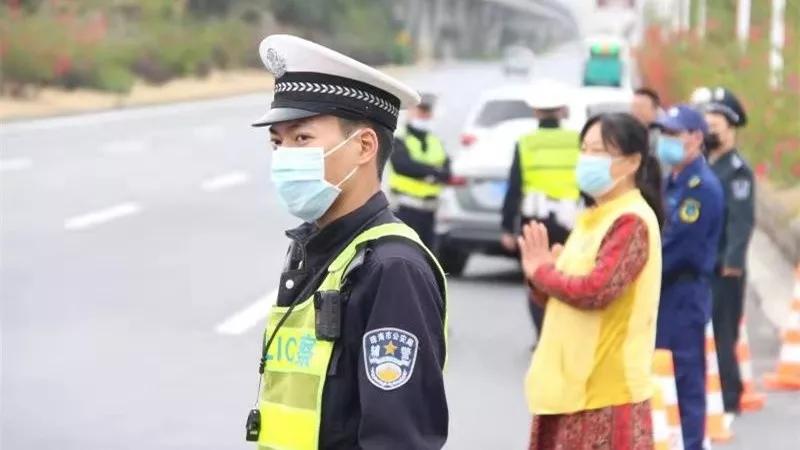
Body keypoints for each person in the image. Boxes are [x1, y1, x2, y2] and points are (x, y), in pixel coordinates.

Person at [247, 34, 448, 450]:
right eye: (277, 141)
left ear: (363, 146)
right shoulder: (320, 248)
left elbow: (399, 440)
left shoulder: (391, 267)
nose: (284, 154)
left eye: (301, 139)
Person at [518, 112, 664, 450]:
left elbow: (596, 291)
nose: (586, 158)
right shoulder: (593, 218)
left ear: (630, 162)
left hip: (604, 394)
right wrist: (543, 277)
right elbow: (564, 292)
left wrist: (543, 271)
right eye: (584, 148)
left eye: (597, 150)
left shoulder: (631, 221)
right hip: (570, 389)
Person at [654, 105, 724, 450]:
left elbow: (676, 248)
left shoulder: (701, 188)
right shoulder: (671, 181)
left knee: (684, 380)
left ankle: (692, 444)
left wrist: (638, 270)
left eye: (673, 134)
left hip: (682, 294)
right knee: (660, 377)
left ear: (695, 138)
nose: (665, 141)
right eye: (663, 133)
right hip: (663, 294)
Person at [501, 79, 581, 341]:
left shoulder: (526, 142)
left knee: (536, 276)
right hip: (572, 222)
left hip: (535, 222)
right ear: (562, 110)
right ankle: (563, 333)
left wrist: (506, 228)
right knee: (568, 276)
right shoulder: (577, 140)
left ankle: (542, 336)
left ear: (536, 111)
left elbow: (514, 188)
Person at [702, 88, 755, 416]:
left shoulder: (737, 170)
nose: (710, 128)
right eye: (707, 120)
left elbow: (741, 220)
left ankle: (729, 394)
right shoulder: (705, 164)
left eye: (716, 121)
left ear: (731, 126)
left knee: (723, 331)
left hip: (724, 267)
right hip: (704, 262)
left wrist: (733, 262)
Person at [388, 93, 451, 249]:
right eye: (420, 110)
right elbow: (403, 166)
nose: (424, 115)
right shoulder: (400, 137)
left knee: (428, 258)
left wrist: (425, 172)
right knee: (403, 252)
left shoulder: (435, 140)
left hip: (431, 211)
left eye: (427, 111)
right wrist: (433, 172)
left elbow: (447, 172)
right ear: (410, 111)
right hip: (405, 209)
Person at [632, 87, 663, 155]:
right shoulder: (625, 133)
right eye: (635, 106)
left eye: (642, 107)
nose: (637, 111)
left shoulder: (664, 135)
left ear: (655, 110)